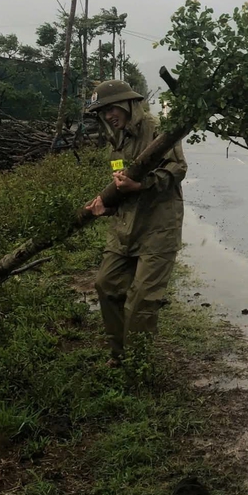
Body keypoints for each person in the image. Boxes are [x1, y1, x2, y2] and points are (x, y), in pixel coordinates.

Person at [84, 79, 187, 366]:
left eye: (110, 109)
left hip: (158, 226)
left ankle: (138, 364)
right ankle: (119, 356)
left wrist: (141, 185)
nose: (107, 116)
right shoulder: (116, 139)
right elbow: (120, 181)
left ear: (127, 104)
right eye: (102, 112)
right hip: (125, 226)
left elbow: (177, 169)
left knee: (142, 300)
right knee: (106, 284)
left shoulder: (156, 130)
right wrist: (107, 203)